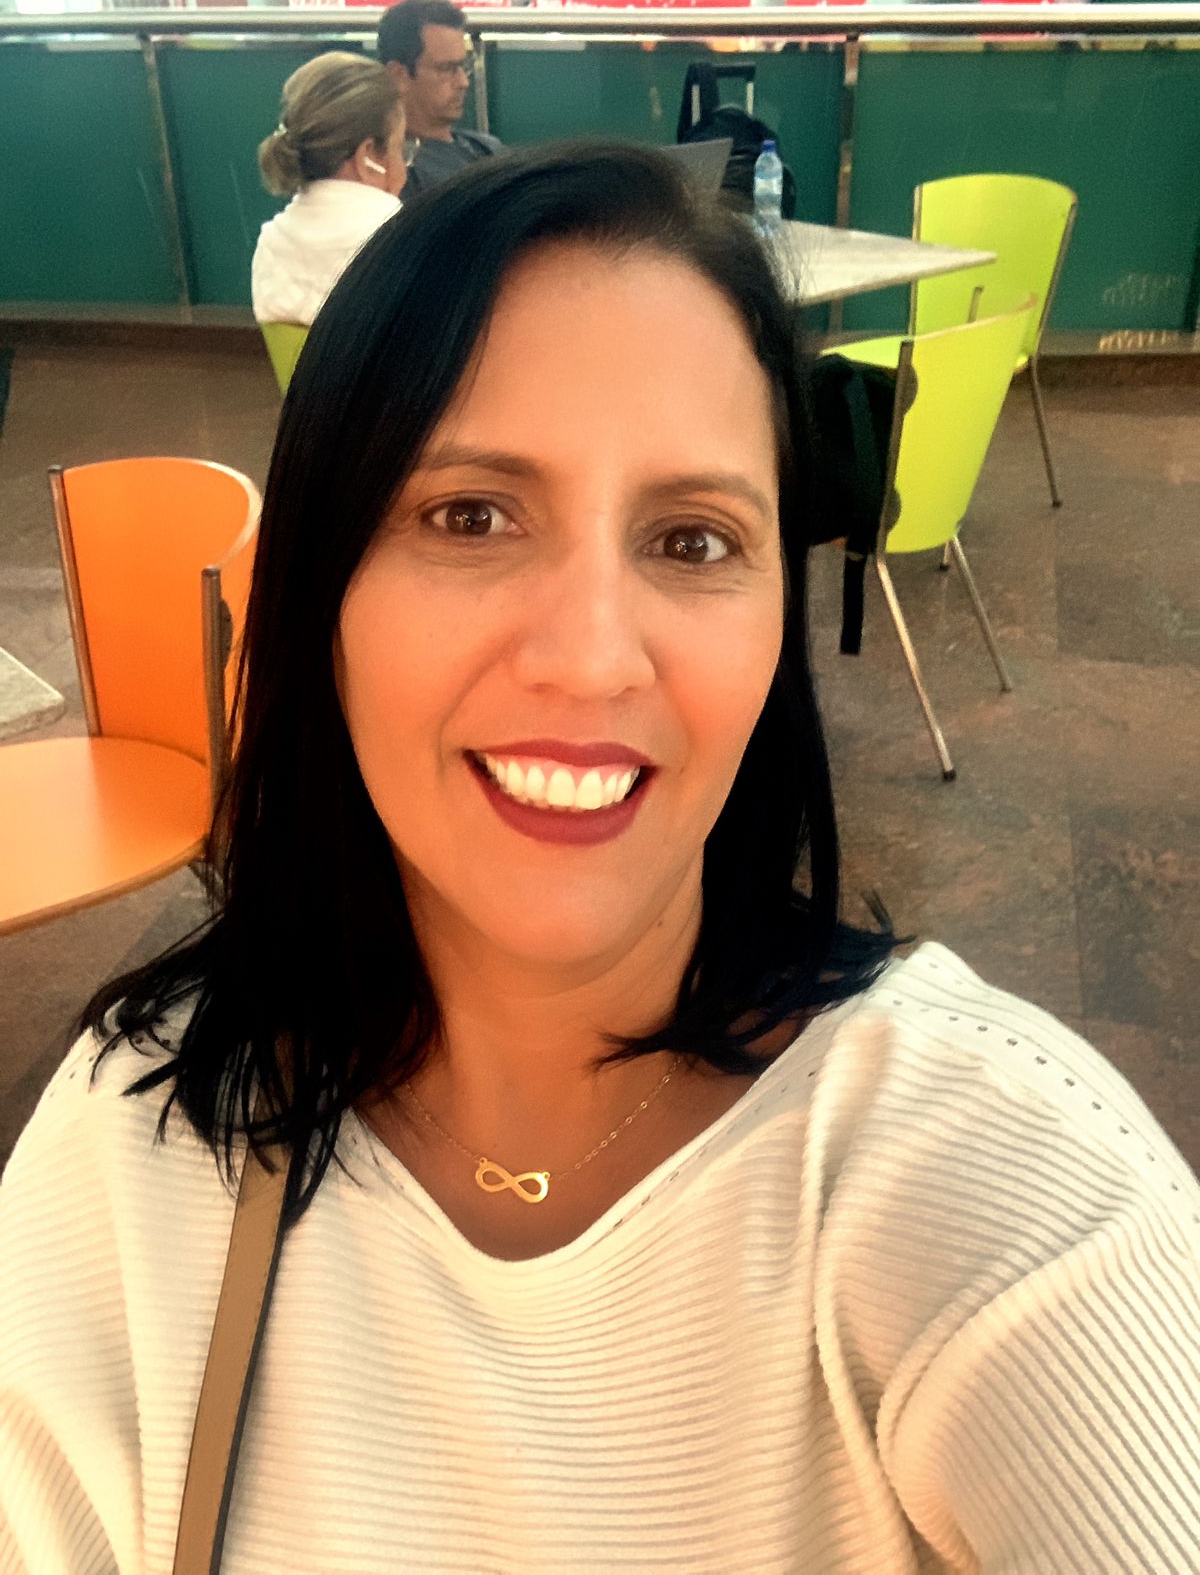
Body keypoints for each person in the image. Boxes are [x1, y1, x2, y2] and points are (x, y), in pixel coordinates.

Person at [2, 142, 1198, 1572]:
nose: (589, 656)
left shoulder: (1001, 1181)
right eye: (469, 516)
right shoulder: (133, 1141)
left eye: (692, 540)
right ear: (323, 588)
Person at [251, 50, 407, 327]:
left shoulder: (270, 242)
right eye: (399, 148)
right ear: (367, 156)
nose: (404, 165)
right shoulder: (399, 238)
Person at [377, 0, 504, 197]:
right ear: (399, 75)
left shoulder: (487, 148)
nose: (463, 82)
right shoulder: (391, 172)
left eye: (463, 66)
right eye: (445, 69)